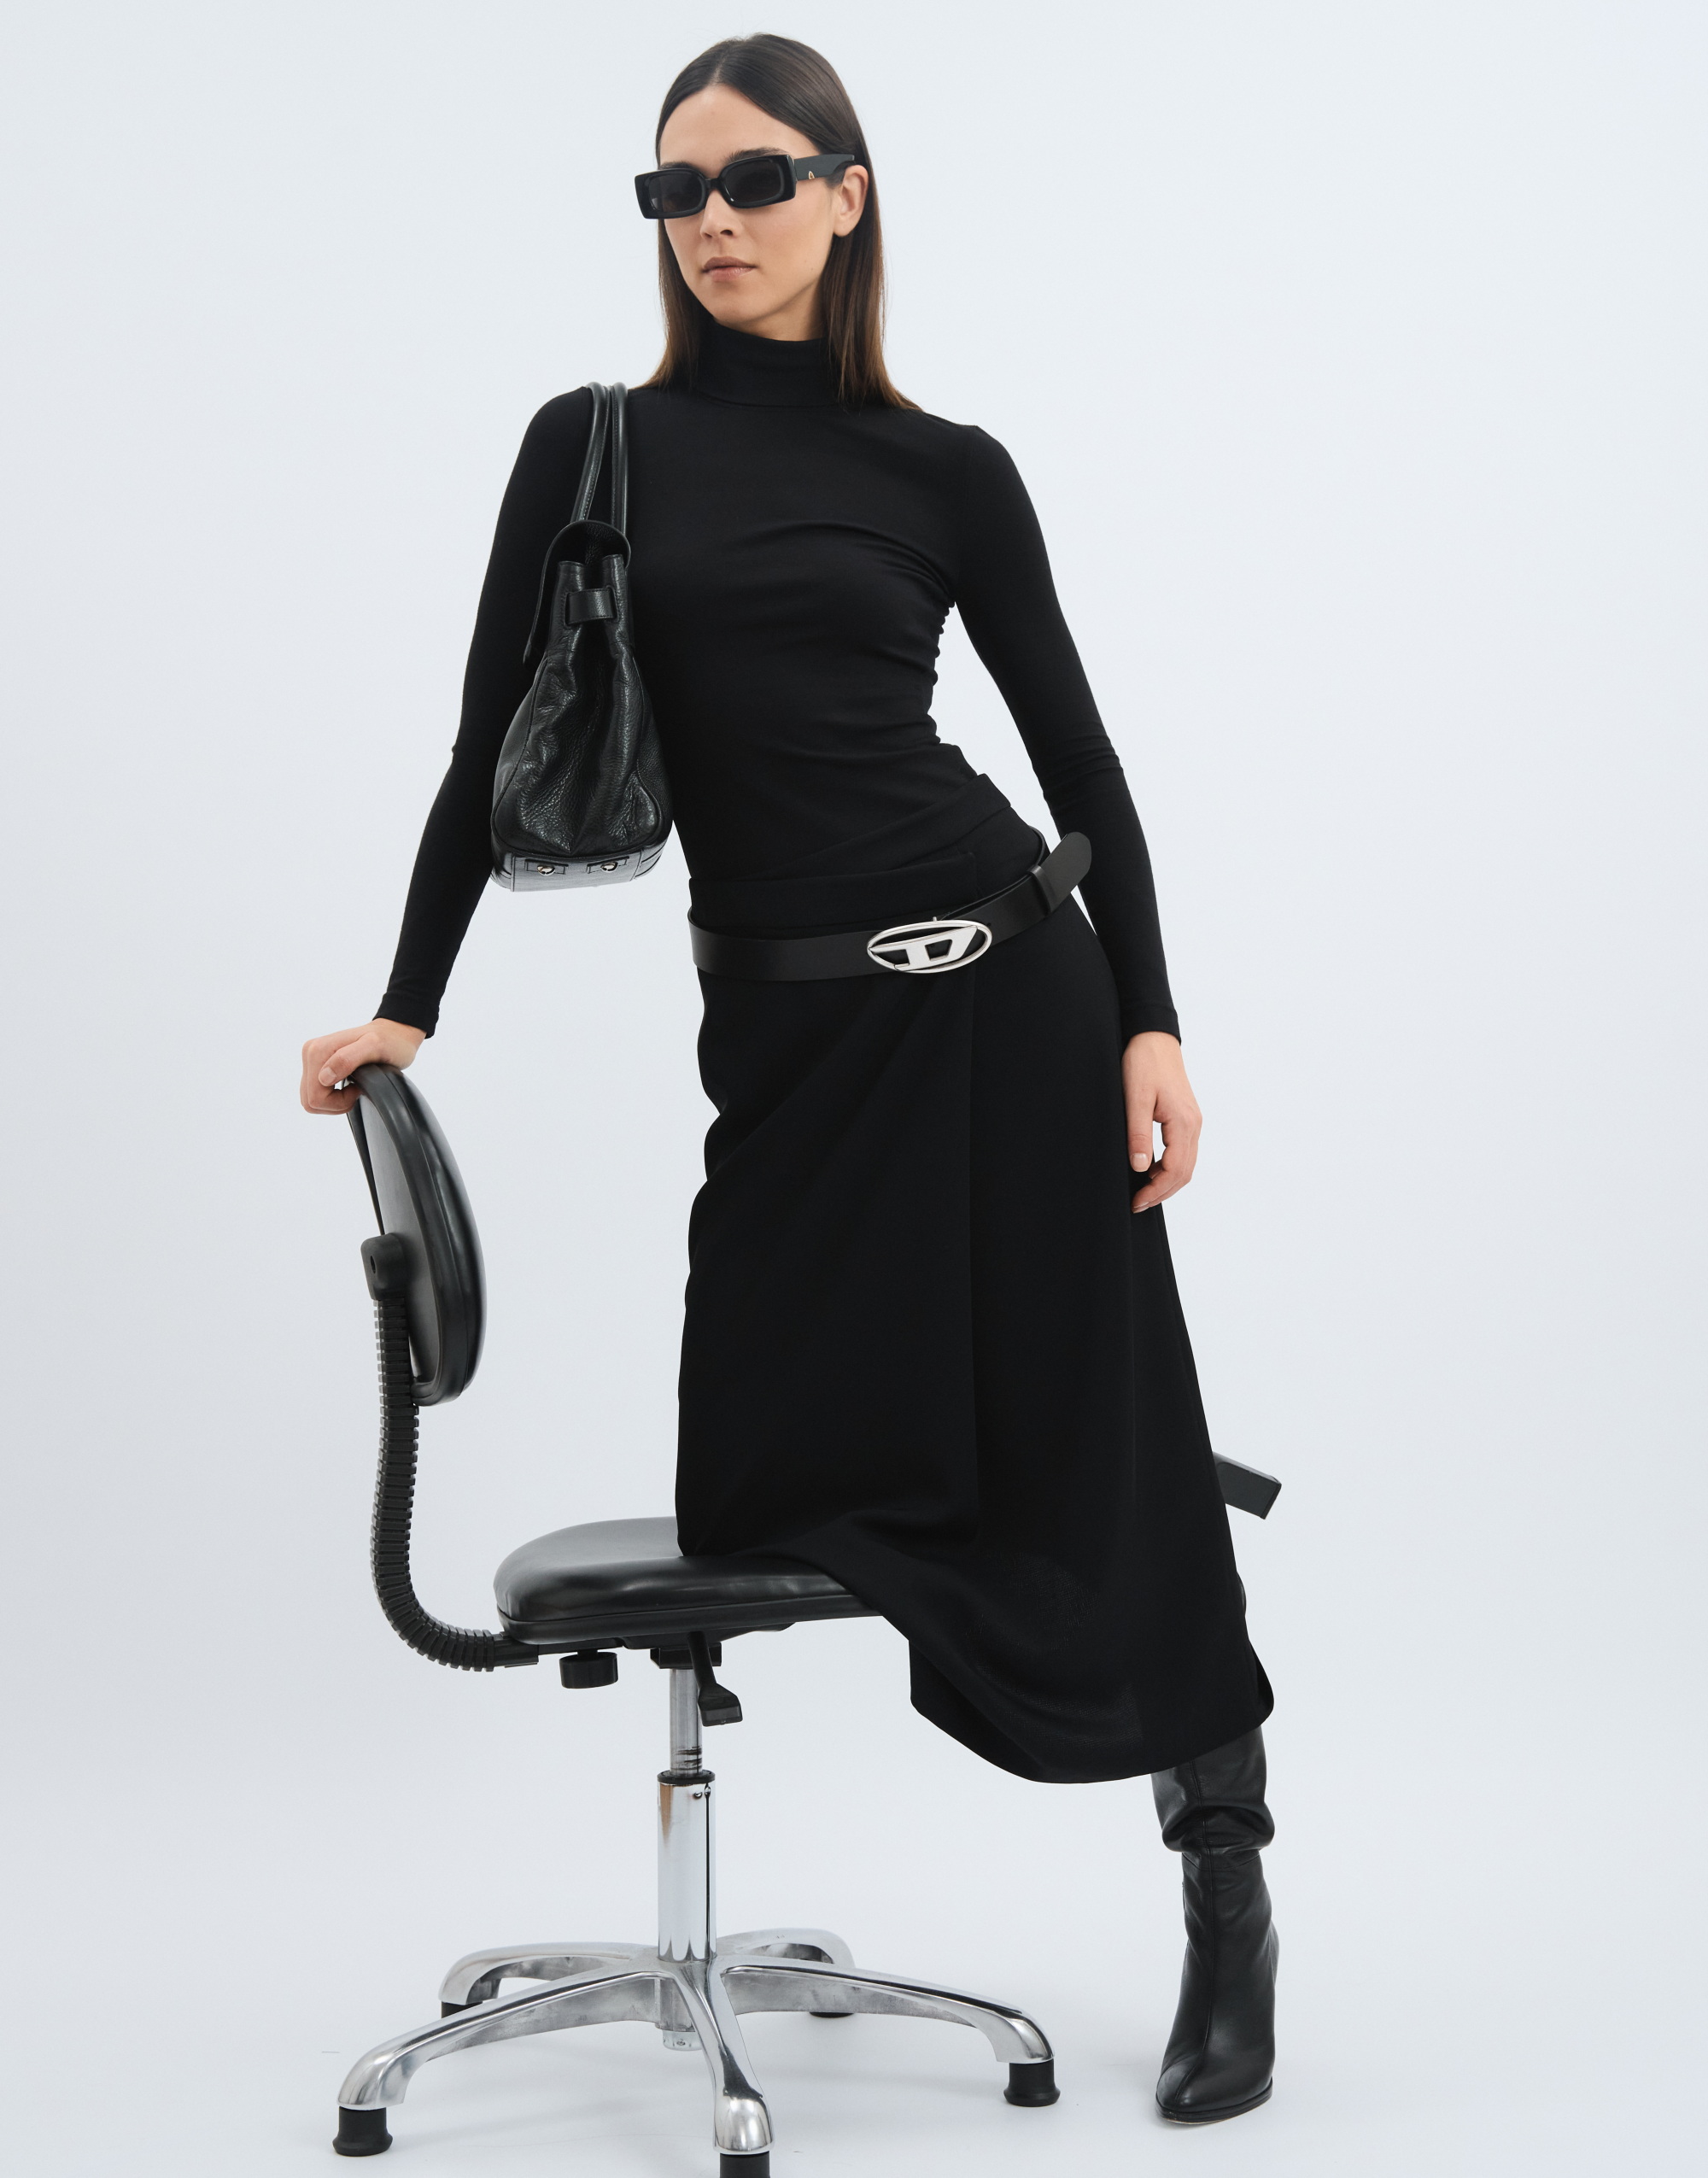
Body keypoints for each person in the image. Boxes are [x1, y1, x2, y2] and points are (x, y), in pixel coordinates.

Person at [301, 32, 1278, 2125]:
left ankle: (1226, 1886)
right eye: (675, 189)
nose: (713, 219)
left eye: (755, 177)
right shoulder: (593, 448)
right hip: (794, 1053)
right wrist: (407, 1007)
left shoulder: (947, 471)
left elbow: (1081, 762)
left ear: (848, 192)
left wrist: (1150, 1018)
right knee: (770, 1485)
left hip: (1006, 1003)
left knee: (1106, 1438)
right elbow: (485, 746)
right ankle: (1035, 1560)